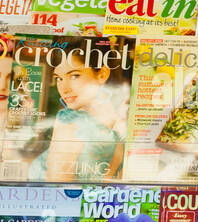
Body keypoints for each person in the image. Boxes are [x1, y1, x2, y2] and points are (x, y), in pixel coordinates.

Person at [31, 41, 130, 181]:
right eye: (59, 78)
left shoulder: (69, 123)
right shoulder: (120, 125)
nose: (64, 89)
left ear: (102, 73)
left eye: (74, 76)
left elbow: (57, 189)